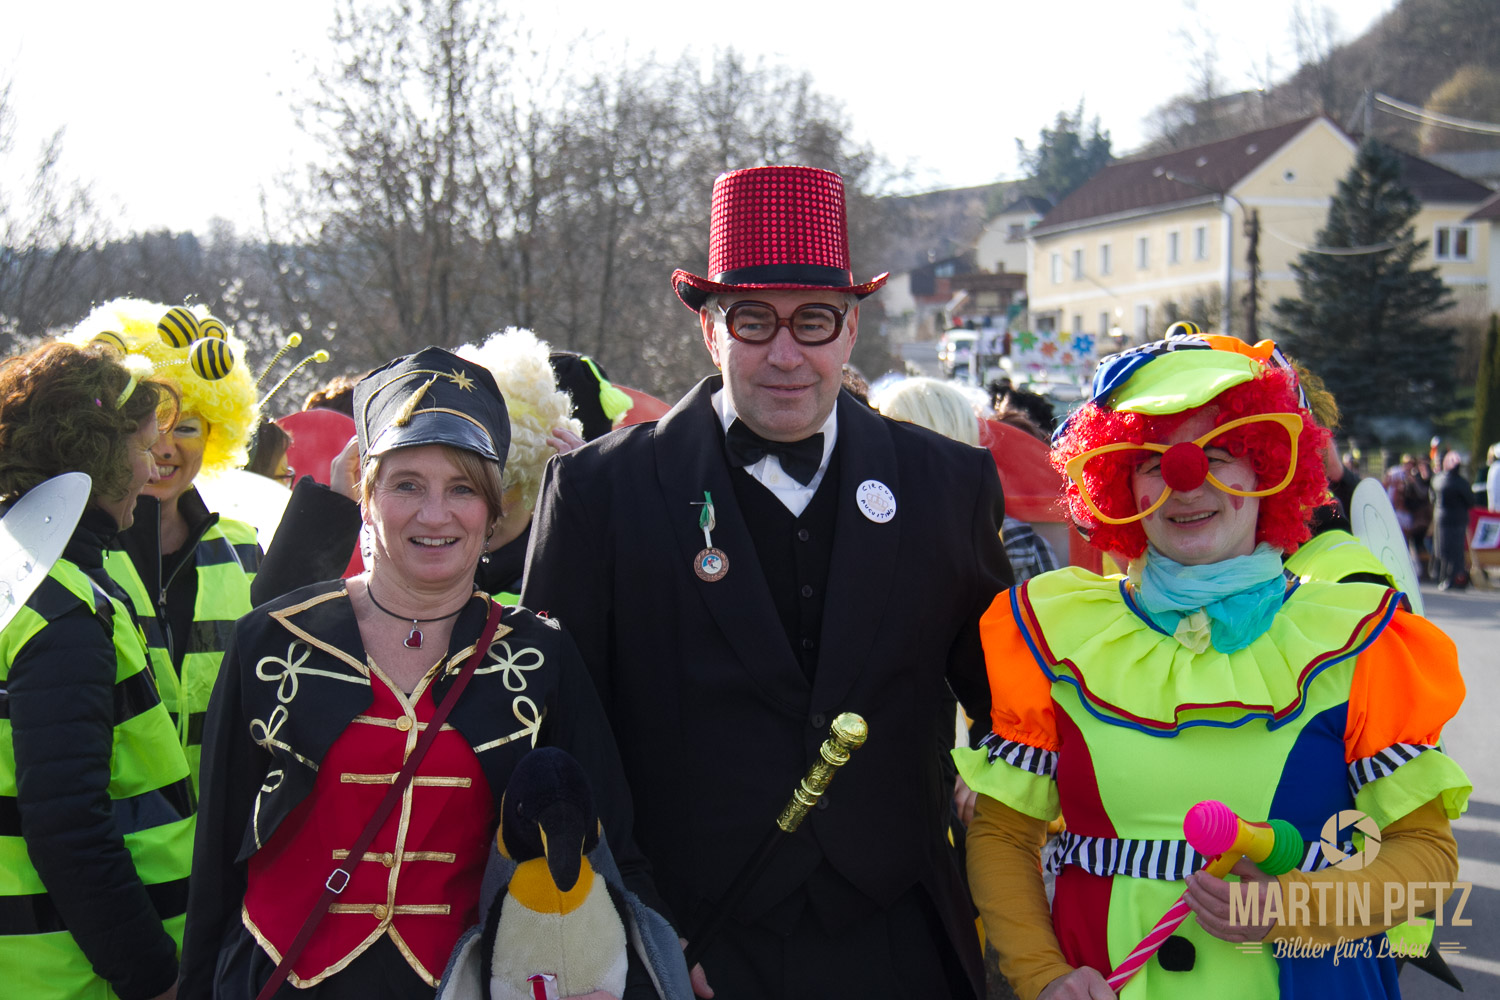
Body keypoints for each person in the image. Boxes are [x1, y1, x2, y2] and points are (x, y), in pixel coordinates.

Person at [522, 164, 1013, 999]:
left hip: (898, 939)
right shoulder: (599, 493)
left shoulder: (948, 484)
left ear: (850, 329)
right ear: (709, 330)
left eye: (813, 320)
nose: (786, 355)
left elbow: (1013, 708)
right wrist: (636, 919)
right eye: (753, 320)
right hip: (693, 947)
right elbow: (559, 741)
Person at [960, 338, 1470, 1000]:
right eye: (1152, 462)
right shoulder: (1057, 634)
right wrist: (1043, 975)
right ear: (1120, 483)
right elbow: (1004, 835)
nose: (1186, 480)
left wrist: (1290, 908)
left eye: (1221, 454)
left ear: (1267, 470)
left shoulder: (1359, 638)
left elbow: (1427, 859)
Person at [181, 347, 672, 999]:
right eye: (407, 484)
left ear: (493, 510)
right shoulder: (271, 642)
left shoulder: (539, 658)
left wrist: (661, 957)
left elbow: (610, 847)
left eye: (462, 489)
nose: (435, 514)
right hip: (277, 978)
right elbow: (216, 860)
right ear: (366, 495)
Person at [0, 342, 192, 1000]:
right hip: (67, 977)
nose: (153, 465)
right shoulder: (61, 609)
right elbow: (69, 828)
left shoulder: (23, 579)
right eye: (142, 446)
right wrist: (154, 975)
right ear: (98, 456)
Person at [66, 299, 265, 790]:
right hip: (115, 825)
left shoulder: (242, 546)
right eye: (147, 425)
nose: (165, 447)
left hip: (218, 825)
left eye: (188, 427)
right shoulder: (69, 547)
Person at [1431, 451, 1475, 591]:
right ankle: (1454, 578)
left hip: (1440, 518)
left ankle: (1442, 577)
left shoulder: (1437, 479)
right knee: (1456, 551)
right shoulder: (1460, 482)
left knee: (1442, 549)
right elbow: (1470, 500)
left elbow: (1432, 498)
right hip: (1457, 519)